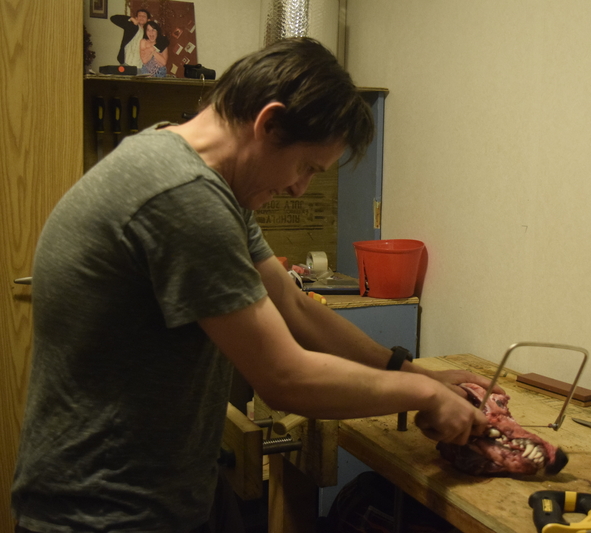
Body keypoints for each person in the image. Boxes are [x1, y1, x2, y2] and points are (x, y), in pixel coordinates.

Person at [11, 38, 500, 532]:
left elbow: (292, 304)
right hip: (103, 511)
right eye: (306, 166)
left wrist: (408, 369)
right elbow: (286, 379)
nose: (300, 188)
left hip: (167, 491)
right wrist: (422, 394)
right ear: (268, 123)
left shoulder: (204, 177)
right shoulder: (184, 196)